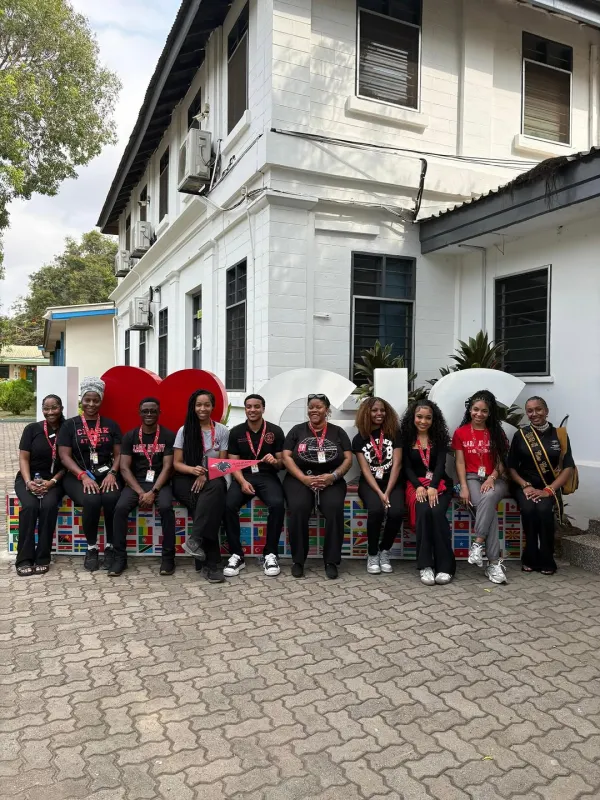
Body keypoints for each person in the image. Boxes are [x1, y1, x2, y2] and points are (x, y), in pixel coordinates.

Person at [282, 394, 353, 580]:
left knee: (334, 509)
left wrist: (333, 476)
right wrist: (303, 478)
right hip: (300, 478)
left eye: (319, 407)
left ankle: (331, 561)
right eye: (311, 407)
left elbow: (348, 458)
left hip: (330, 478)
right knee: (298, 509)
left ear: (327, 410)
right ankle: (298, 561)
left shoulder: (338, 432)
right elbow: (286, 456)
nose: (314, 410)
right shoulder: (297, 430)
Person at [58, 377, 122, 572]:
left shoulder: (111, 425)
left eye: (96, 400)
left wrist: (112, 472)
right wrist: (82, 476)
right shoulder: (70, 425)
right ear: (81, 400)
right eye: (87, 400)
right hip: (77, 475)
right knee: (92, 500)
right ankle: (92, 548)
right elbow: (64, 456)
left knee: (111, 498)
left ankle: (111, 547)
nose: (91, 404)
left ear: (101, 401)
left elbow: (119, 454)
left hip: (106, 472)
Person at [508, 396, 575, 575]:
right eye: (530, 411)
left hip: (548, 486)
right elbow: (512, 467)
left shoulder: (559, 435)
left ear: (546, 411)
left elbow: (568, 467)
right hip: (525, 485)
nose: (534, 414)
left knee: (544, 511)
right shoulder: (521, 435)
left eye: (538, 409)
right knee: (529, 510)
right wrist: (525, 486)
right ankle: (529, 557)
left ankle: (547, 558)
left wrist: (549, 490)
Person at [110, 398, 176, 577]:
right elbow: (124, 467)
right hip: (136, 483)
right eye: (145, 411)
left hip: (160, 483)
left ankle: (168, 558)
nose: (149, 414)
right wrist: (141, 492)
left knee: (166, 508)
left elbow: (168, 467)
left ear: (159, 413)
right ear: (139, 413)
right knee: (120, 508)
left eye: (153, 411)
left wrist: (153, 491)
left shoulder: (168, 436)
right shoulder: (130, 436)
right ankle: (119, 559)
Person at [223, 394, 286, 578]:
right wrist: (242, 482)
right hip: (244, 475)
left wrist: (275, 461)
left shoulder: (275, 431)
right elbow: (232, 463)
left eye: (256, 407)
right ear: (245, 409)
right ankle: (237, 555)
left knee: (277, 504)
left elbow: (282, 463)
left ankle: (270, 553)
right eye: (249, 407)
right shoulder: (236, 432)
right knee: (228, 505)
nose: (252, 410)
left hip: (267, 476)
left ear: (263, 409)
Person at [452, 390, 509, 585]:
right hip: (471, 478)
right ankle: (493, 563)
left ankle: (478, 544)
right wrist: (464, 487)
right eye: (475, 409)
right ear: (469, 410)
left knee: (489, 496)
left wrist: (492, 477)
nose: (479, 414)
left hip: (496, 479)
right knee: (488, 506)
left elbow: (502, 462)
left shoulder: (497, 433)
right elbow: (459, 463)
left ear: (490, 413)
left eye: (484, 411)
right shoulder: (460, 433)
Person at [172, 389, 229, 583]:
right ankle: (211, 563)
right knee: (209, 508)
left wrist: (206, 474)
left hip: (212, 478)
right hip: (185, 478)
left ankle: (197, 544)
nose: (202, 408)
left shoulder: (222, 430)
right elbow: (177, 463)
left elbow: (222, 465)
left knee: (214, 492)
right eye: (198, 405)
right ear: (193, 407)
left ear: (213, 407)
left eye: (206, 405)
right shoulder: (184, 430)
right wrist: (194, 471)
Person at [400, 400, 455, 586]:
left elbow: (440, 465)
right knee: (423, 511)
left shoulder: (438, 438)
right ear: (413, 417)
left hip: (439, 484)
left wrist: (432, 486)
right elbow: (406, 467)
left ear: (434, 419)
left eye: (428, 418)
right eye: (419, 417)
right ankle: (426, 565)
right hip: (415, 485)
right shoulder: (406, 438)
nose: (423, 421)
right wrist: (419, 486)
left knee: (437, 512)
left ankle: (445, 566)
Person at [14, 394, 66, 576]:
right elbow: (23, 458)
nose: (50, 412)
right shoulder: (32, 429)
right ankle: (23, 558)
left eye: (54, 408)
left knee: (49, 506)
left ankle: (43, 557)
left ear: (61, 408)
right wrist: (28, 482)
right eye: (46, 408)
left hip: (55, 480)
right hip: (28, 479)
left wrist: (52, 482)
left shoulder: (67, 430)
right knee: (30, 506)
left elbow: (67, 463)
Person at [352, 397, 403, 575]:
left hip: (393, 483)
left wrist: (387, 491)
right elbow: (365, 470)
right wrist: (379, 493)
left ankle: (384, 551)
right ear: (367, 413)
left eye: (382, 410)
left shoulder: (394, 433)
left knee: (396, 512)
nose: (379, 414)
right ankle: (372, 553)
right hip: (370, 484)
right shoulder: (359, 438)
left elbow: (397, 465)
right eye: (374, 410)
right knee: (376, 510)